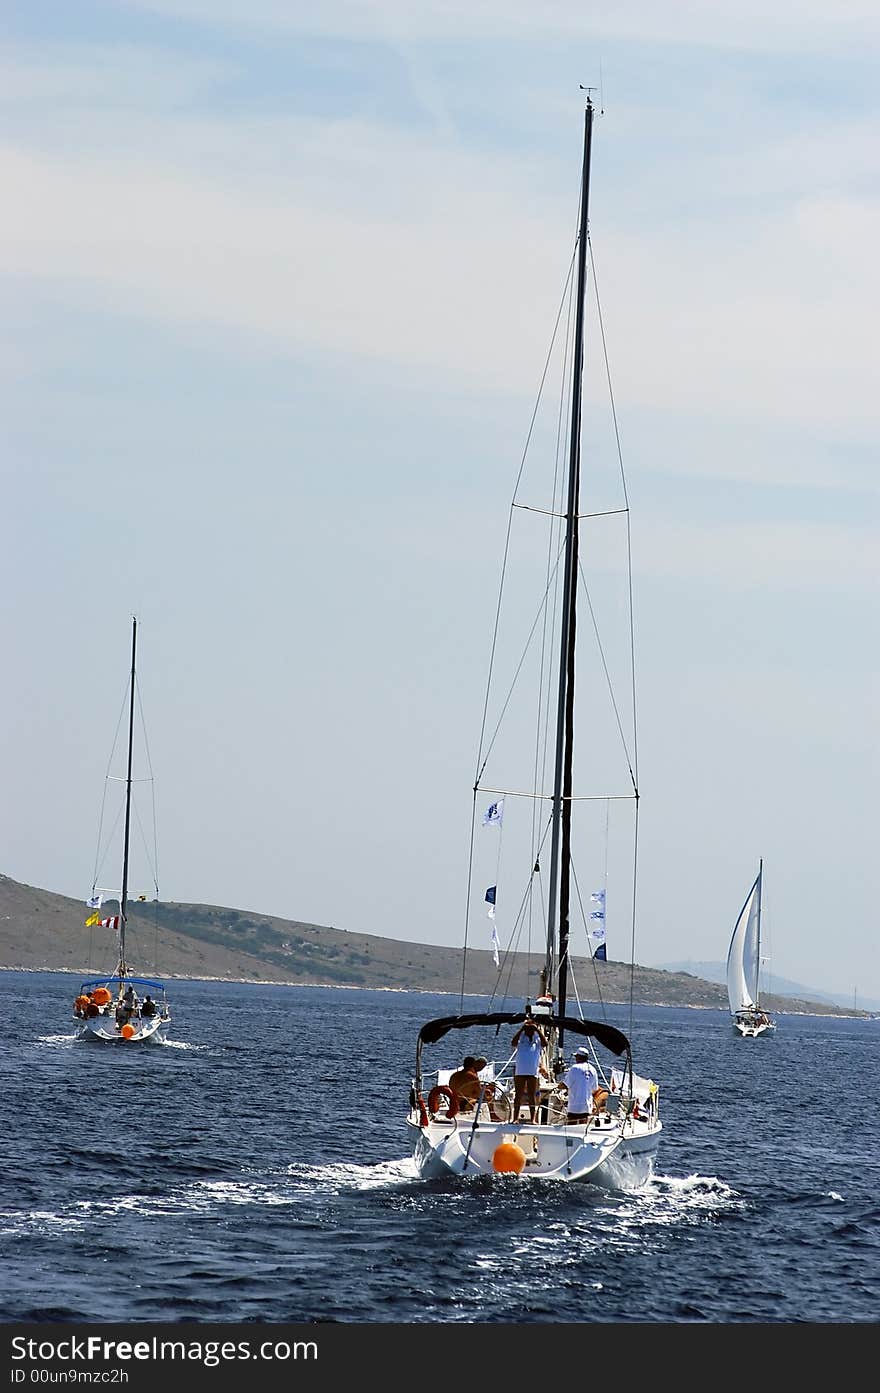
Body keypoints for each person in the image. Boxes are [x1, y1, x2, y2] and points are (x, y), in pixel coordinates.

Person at [511, 1018, 548, 1122]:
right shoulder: (521, 1037)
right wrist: (522, 1029)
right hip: (520, 1070)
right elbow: (513, 1043)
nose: (529, 1029)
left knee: (532, 1095)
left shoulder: (537, 1038)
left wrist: (537, 1030)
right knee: (518, 1094)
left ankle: (533, 1119)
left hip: (532, 1070)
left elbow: (545, 1044)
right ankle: (515, 1118)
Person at [562, 1046, 600, 1123]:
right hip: (586, 1107)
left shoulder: (575, 1068)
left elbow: (565, 1085)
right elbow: (595, 1088)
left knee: (571, 1127)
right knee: (582, 1127)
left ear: (579, 1057)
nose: (575, 1059)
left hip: (574, 1106)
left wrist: (559, 1086)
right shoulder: (593, 1070)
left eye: (576, 1057)